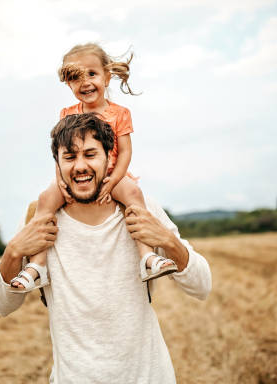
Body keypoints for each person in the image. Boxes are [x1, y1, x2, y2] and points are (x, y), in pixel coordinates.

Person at [0, 113, 212, 384]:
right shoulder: (40, 218)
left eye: (90, 154)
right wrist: (14, 251)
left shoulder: (142, 208)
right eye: (69, 157)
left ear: (110, 158)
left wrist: (167, 241)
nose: (80, 166)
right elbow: (2, 305)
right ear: (58, 165)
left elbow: (202, 286)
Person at [10, 43, 177, 294]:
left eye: (92, 74)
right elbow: (60, 153)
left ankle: (147, 257)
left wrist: (113, 181)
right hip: (75, 177)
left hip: (113, 175)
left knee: (133, 195)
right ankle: (37, 265)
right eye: (76, 78)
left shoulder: (120, 113)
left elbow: (126, 151)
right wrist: (61, 182)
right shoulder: (67, 114)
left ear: (107, 76)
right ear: (68, 83)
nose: (85, 82)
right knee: (45, 200)